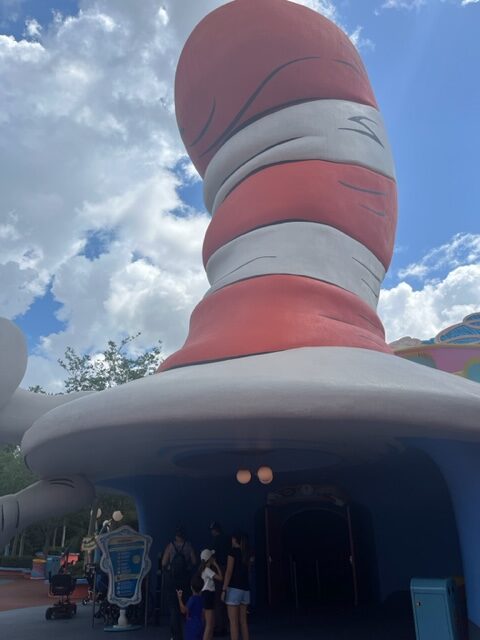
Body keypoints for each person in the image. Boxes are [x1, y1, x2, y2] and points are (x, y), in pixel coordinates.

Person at [162, 528, 197, 640]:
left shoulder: (170, 546)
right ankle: (189, 632)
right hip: (185, 581)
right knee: (187, 606)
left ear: (176, 536)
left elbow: (164, 562)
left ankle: (176, 636)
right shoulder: (188, 546)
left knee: (173, 609)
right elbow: (194, 561)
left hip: (172, 581)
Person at [221, 532, 251, 640]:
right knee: (243, 621)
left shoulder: (232, 552)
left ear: (234, 540)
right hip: (246, 589)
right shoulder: (246, 552)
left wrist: (224, 589)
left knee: (233, 622)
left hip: (234, 589)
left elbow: (229, 571)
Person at [209, 522, 229, 636]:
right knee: (227, 599)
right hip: (228, 568)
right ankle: (226, 625)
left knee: (217, 599)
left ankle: (219, 627)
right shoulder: (227, 539)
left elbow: (213, 557)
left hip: (219, 569)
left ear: (215, 530)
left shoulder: (216, 541)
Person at [199, 549, 223, 640]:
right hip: (208, 595)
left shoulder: (202, 569)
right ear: (209, 559)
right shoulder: (208, 570)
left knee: (210, 622)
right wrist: (216, 565)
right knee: (209, 624)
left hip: (206, 595)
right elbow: (220, 578)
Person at [177, 575, 205, 640]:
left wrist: (179, 598)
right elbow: (203, 613)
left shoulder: (192, 599)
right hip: (200, 624)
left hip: (192, 625)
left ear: (191, 587)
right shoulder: (202, 599)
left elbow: (183, 610)